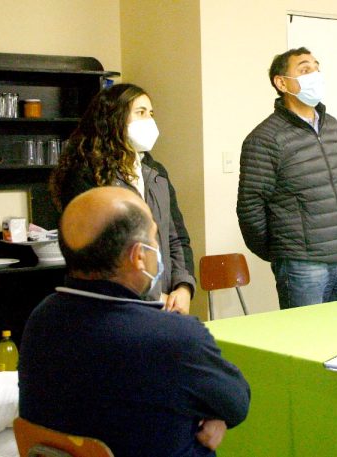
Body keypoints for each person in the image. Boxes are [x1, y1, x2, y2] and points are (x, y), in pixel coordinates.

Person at [19, 186, 250, 457]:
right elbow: (236, 402)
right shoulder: (174, 337)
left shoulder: (42, 319)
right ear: (139, 256)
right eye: (154, 238)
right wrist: (215, 417)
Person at [49, 83, 195, 314]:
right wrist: (155, 296)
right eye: (140, 113)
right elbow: (99, 251)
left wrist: (183, 288)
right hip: (114, 306)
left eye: (151, 113)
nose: (149, 120)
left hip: (166, 305)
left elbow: (176, 238)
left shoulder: (156, 173)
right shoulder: (86, 175)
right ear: (114, 118)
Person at [237, 47, 337, 308]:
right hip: (302, 263)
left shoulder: (332, 126)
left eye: (317, 68)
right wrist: (281, 250)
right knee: (309, 340)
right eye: (305, 69)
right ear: (281, 83)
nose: (315, 75)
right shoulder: (264, 138)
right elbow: (250, 206)